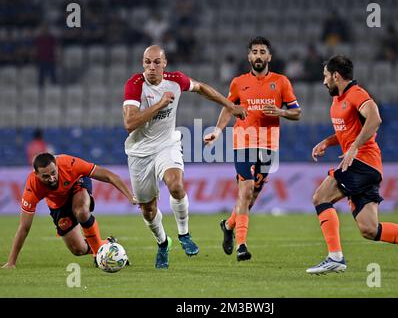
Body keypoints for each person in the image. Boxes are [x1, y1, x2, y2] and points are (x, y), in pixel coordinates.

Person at [306, 55, 398, 274]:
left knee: (320, 197)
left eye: (326, 76)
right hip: (367, 166)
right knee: (369, 229)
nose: (324, 81)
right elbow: (347, 132)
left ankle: (335, 257)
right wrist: (328, 142)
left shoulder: (356, 94)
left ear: (336, 76)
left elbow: (375, 119)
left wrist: (354, 148)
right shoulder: (337, 100)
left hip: (362, 162)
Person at [122, 45, 246, 269]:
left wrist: (230, 105)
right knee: (148, 210)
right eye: (147, 62)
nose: (151, 67)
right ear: (142, 63)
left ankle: (184, 234)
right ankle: (163, 243)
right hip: (139, 152)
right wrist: (160, 104)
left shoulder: (176, 80)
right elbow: (129, 124)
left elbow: (201, 88)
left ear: (164, 63)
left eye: (156, 62)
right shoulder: (134, 85)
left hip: (166, 144)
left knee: (176, 185)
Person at [204, 37, 301, 261]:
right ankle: (242, 246)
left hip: (269, 144)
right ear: (249, 57)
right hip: (243, 140)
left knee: (252, 198)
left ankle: (228, 225)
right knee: (245, 191)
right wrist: (218, 132)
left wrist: (281, 112)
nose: (258, 55)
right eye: (254, 52)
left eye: (262, 52)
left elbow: (297, 112)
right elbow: (229, 108)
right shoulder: (238, 82)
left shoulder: (282, 82)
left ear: (269, 57)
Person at [2, 153, 136, 269]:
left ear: (57, 166)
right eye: (46, 176)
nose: (52, 178)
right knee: (78, 249)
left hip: (77, 185)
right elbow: (24, 227)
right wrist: (11, 262)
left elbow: (108, 176)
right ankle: (107, 244)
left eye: (53, 173)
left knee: (81, 211)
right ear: (36, 174)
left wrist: (130, 196)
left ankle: (98, 255)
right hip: (57, 204)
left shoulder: (70, 164)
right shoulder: (32, 186)